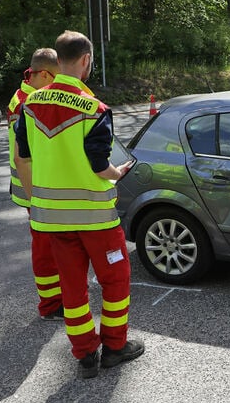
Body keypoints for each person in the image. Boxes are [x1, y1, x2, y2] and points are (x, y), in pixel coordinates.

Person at [14, 31, 144, 379]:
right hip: (96, 218)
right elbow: (100, 164)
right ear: (86, 60)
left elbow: (23, 159)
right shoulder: (94, 108)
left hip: (52, 220)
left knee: (72, 286)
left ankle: (85, 354)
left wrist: (36, 203)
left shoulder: (29, 104)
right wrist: (118, 173)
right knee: (115, 281)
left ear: (58, 59)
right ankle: (115, 347)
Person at [7, 48, 64, 321]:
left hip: (35, 188)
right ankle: (50, 303)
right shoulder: (27, 104)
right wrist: (34, 199)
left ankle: (57, 294)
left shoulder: (25, 95)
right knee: (44, 248)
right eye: (55, 78)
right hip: (34, 191)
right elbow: (22, 159)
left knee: (49, 246)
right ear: (43, 74)